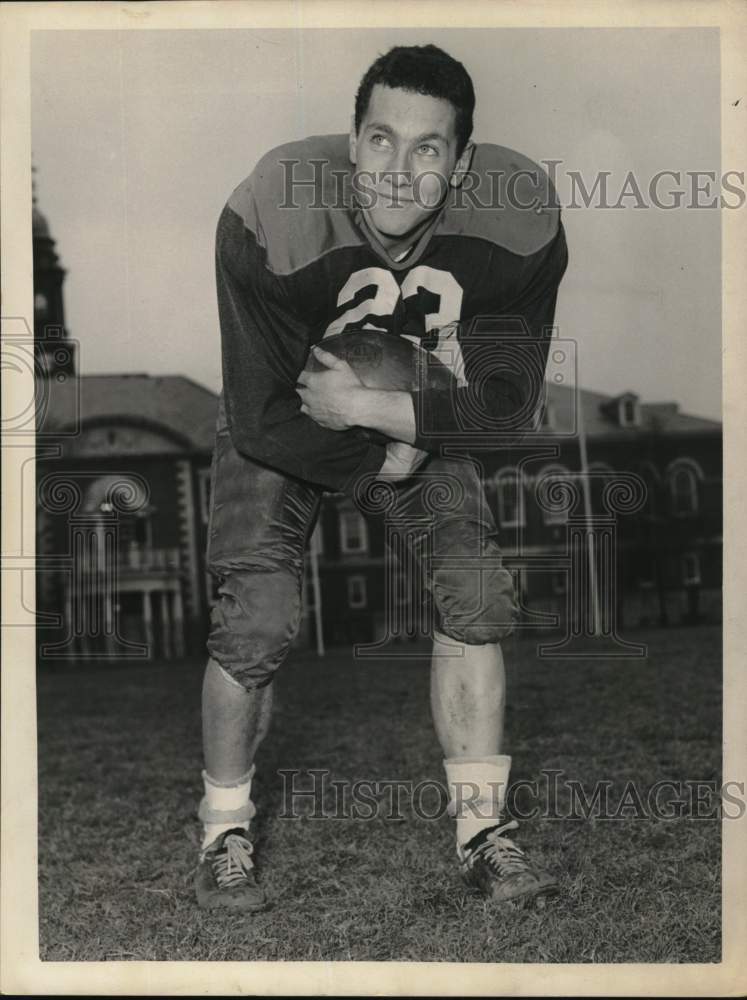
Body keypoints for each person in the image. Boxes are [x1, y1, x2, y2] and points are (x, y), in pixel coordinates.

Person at [196, 44, 568, 911]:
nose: (398, 173)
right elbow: (260, 416)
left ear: (463, 162)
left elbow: (507, 406)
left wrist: (393, 425)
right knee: (258, 618)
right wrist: (381, 451)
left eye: (428, 149)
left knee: (476, 594)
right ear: (351, 138)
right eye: (379, 141)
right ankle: (223, 828)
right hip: (285, 408)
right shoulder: (271, 208)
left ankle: (483, 833)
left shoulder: (515, 219)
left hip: (412, 410)